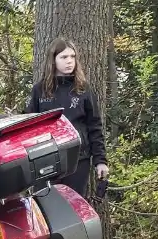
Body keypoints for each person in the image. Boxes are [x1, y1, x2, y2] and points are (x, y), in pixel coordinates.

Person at [25, 37, 109, 197]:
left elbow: (95, 126)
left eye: (72, 57)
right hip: (46, 159)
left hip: (78, 159)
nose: (69, 61)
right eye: (64, 57)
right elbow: (30, 127)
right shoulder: (40, 90)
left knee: (74, 206)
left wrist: (101, 161)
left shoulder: (83, 89)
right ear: (53, 60)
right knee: (46, 206)